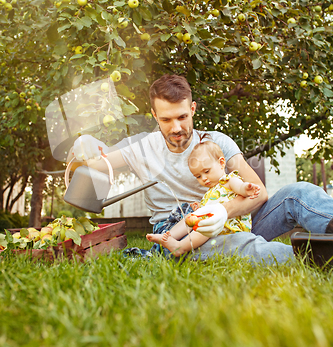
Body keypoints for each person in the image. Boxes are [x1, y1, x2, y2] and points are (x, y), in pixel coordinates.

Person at [71, 74, 333, 264]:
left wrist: (220, 212)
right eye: (166, 119)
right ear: (154, 116)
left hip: (234, 218)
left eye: (182, 117)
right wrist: (84, 143)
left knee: (298, 193)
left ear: (192, 108)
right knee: (237, 245)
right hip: (180, 232)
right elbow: (94, 162)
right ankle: (316, 258)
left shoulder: (216, 142)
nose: (176, 128)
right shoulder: (140, 147)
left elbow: (260, 193)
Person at [146, 135, 264, 256]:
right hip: (216, 227)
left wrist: (247, 188)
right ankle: (169, 235)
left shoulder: (228, 180)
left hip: (232, 229)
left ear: (221, 163)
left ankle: (181, 247)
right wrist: (199, 207)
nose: (204, 178)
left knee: (203, 227)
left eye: (206, 171)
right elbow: (210, 207)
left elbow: (239, 187)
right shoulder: (210, 192)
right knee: (189, 218)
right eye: (198, 176)